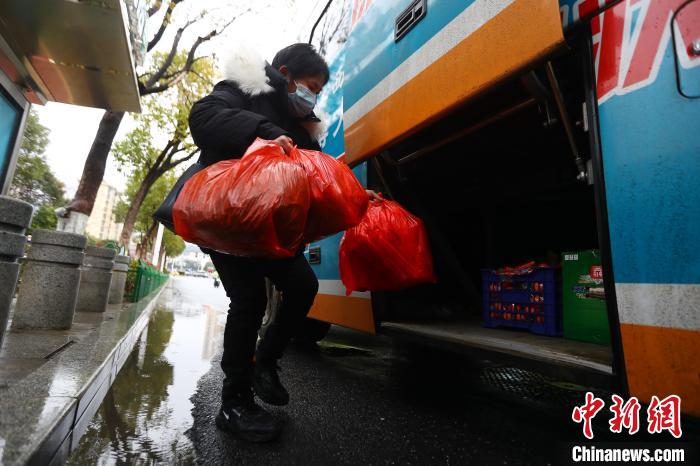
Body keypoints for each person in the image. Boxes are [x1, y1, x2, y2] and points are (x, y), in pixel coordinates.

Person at [188, 43, 379, 443]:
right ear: (286, 73)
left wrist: (360, 195)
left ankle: (265, 361)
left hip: (271, 226)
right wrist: (264, 131)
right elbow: (203, 117)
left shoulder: (304, 126)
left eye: (320, 91)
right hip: (228, 217)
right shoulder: (247, 88)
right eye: (311, 86)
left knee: (303, 286)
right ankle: (234, 403)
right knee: (249, 300)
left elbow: (319, 175)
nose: (314, 97)